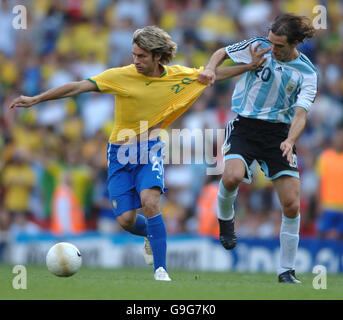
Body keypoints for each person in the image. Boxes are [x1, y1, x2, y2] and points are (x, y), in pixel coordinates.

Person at [9, 26, 266, 281]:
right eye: (134, 55)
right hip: (119, 153)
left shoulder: (179, 76)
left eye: (141, 56)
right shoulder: (121, 76)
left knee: (150, 202)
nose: (136, 61)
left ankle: (161, 270)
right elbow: (78, 87)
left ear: (157, 56)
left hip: (151, 147)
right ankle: (149, 234)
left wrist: (248, 66)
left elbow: (214, 74)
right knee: (125, 220)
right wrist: (36, 99)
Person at [198, 13, 318, 283]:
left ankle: (286, 270)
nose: (272, 49)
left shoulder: (308, 72)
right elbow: (221, 53)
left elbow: (300, 115)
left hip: (279, 134)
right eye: (271, 42)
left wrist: (290, 140)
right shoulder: (259, 46)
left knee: (290, 204)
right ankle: (226, 221)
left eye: (279, 46)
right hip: (245, 126)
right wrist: (208, 68)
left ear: (295, 43)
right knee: (231, 177)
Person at [316, 122, 343, 241]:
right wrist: (319, 204)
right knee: (321, 235)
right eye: (338, 136)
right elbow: (320, 182)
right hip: (327, 205)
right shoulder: (324, 157)